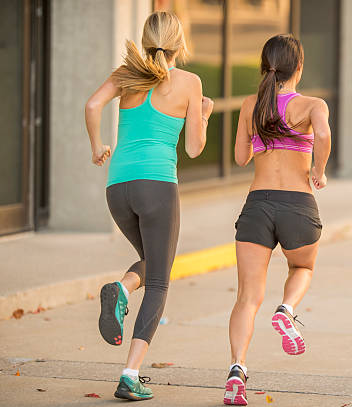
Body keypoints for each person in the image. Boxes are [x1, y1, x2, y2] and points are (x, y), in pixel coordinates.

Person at [84, 11, 213, 401]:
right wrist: (202, 114)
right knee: (159, 280)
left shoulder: (127, 74)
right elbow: (193, 148)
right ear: (180, 43)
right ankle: (130, 373)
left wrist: (96, 148)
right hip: (157, 188)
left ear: (145, 40)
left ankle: (122, 289)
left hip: (117, 188)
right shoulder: (189, 82)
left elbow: (92, 106)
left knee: (154, 263)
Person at [224, 34, 332, 405]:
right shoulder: (312, 104)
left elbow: (240, 158)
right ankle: (286, 309)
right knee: (303, 267)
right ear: (298, 67)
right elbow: (323, 133)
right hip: (298, 205)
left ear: (264, 67)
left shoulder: (250, 105)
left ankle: (237, 368)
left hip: (257, 205)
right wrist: (318, 169)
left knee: (247, 298)